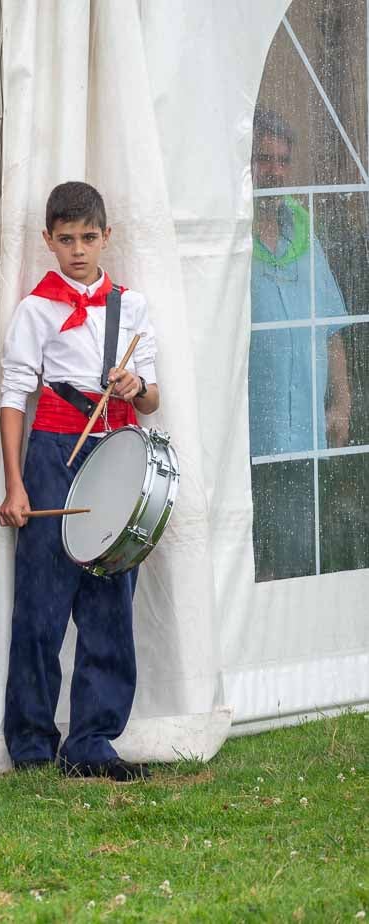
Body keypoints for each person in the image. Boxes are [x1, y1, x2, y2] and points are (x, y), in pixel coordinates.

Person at [0, 181, 159, 780]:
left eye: (88, 238)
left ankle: (93, 741)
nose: (78, 250)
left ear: (106, 236)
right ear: (48, 241)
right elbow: (16, 396)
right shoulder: (35, 309)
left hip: (117, 450)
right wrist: (15, 484)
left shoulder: (131, 306)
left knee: (110, 600)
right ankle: (33, 742)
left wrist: (136, 387)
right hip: (53, 450)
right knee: (42, 600)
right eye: (66, 240)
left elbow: (153, 395)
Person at [248, 107, 351, 580]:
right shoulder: (224, 240)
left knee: (295, 559)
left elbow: (329, 327)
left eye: (282, 161)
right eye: (263, 159)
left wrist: (342, 404)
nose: (274, 171)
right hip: (249, 434)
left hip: (303, 432)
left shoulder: (304, 234)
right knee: (248, 563)